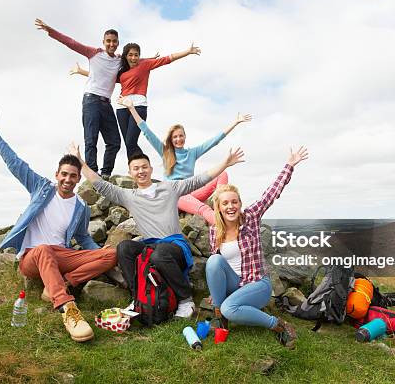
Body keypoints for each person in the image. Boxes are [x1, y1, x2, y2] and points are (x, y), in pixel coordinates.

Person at [0, 103, 117, 342]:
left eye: (73, 176)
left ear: (79, 179)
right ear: (57, 174)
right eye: (64, 174)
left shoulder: (80, 206)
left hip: (60, 256)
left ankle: (61, 284)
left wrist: (99, 253)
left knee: (111, 255)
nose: (68, 179)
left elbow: (83, 237)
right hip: (32, 258)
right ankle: (68, 309)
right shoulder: (41, 188)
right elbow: (15, 163)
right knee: (43, 250)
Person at [69, 142, 245, 318]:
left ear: (151, 169)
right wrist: (80, 161)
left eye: (144, 167)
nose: (141, 171)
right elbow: (101, 185)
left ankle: (186, 300)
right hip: (151, 245)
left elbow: (198, 180)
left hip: (174, 246)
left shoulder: (169, 188)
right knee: (124, 248)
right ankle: (138, 298)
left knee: (159, 254)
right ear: (131, 173)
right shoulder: (128, 196)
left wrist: (225, 163)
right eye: (136, 168)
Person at [205, 146, 309, 348]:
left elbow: (271, 194)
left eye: (234, 202)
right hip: (234, 284)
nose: (230, 206)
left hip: (257, 284)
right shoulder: (214, 231)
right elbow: (216, 269)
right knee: (214, 260)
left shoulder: (251, 217)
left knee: (229, 307)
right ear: (218, 208)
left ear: (240, 203)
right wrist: (215, 293)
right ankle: (220, 316)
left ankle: (278, 325)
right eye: (225, 203)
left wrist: (289, 165)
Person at [116, 96, 251, 225]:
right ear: (171, 139)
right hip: (175, 195)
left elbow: (215, 140)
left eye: (181, 136)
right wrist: (132, 108)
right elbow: (146, 131)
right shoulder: (165, 152)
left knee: (223, 174)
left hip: (192, 191)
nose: (178, 139)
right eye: (175, 137)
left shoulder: (192, 153)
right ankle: (225, 223)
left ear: (185, 137)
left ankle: (222, 205)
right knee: (203, 209)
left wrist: (235, 122)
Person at [71, 42, 201, 158]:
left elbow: (168, 59)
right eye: (130, 55)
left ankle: (143, 166)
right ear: (126, 56)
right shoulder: (121, 71)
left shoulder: (145, 64)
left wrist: (187, 52)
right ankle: (134, 170)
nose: (133, 58)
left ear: (139, 56)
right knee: (128, 144)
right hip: (122, 108)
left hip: (139, 106)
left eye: (136, 55)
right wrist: (81, 71)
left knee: (131, 141)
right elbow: (102, 78)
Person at [35, 18, 122, 178]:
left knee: (114, 141)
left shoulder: (119, 60)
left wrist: (153, 60)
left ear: (118, 43)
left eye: (114, 42)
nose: (111, 44)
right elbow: (72, 43)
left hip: (106, 103)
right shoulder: (94, 53)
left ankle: (105, 175)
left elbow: (136, 62)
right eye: (108, 41)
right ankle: (92, 174)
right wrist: (51, 31)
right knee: (91, 139)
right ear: (103, 42)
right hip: (91, 101)